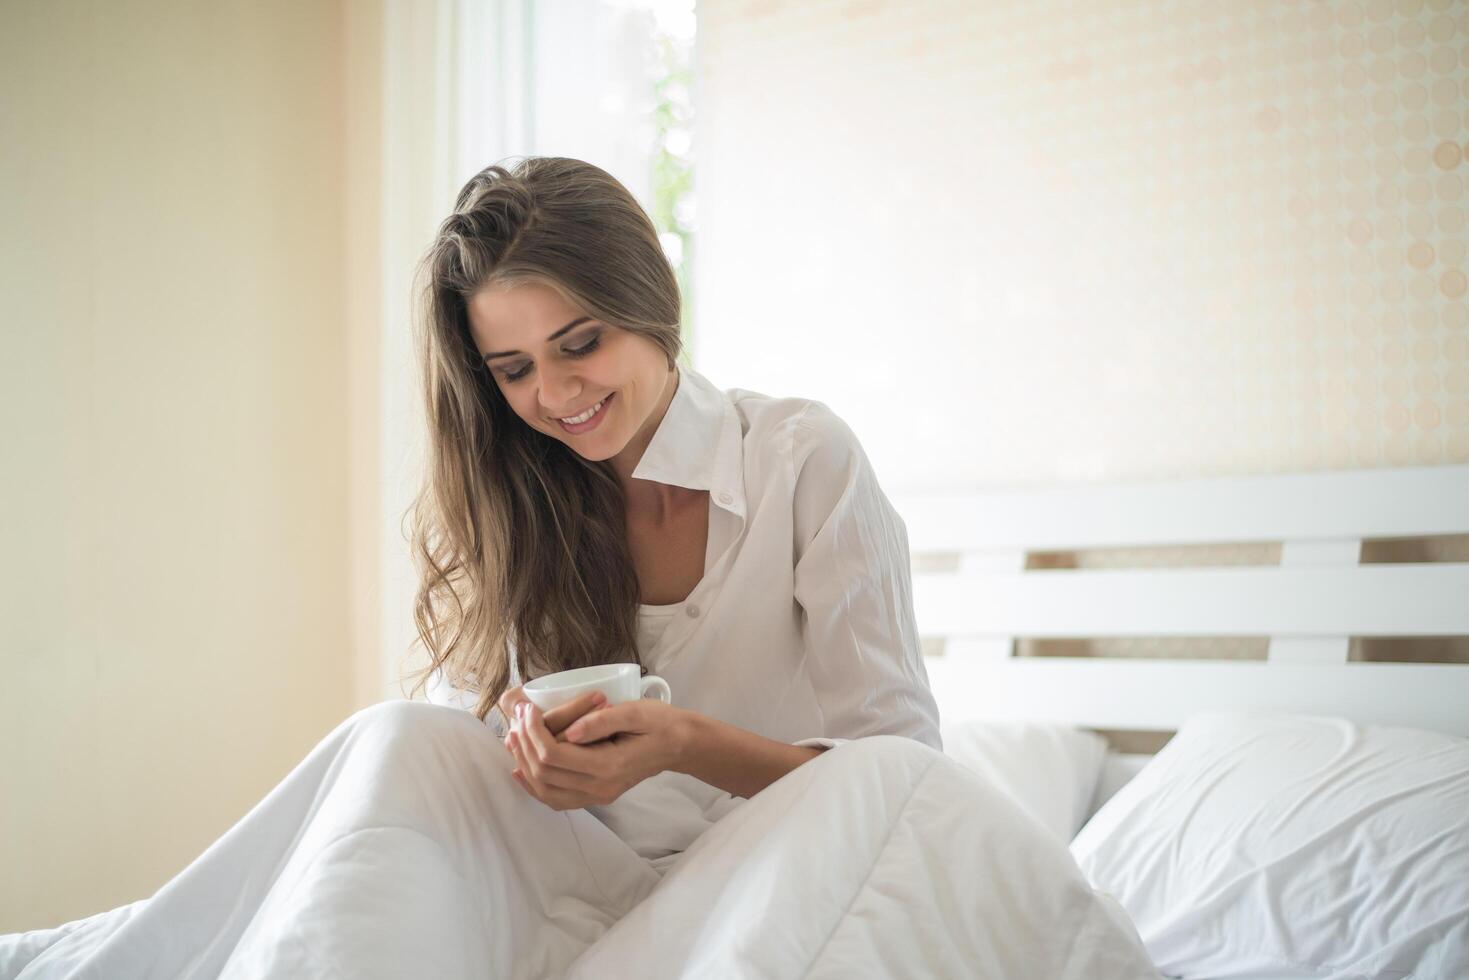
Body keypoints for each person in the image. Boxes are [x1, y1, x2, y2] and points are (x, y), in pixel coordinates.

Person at [0, 156, 946, 979]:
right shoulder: (520, 499)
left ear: (650, 299)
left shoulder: (798, 458)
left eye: (580, 344)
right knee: (407, 740)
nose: (556, 393)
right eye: (513, 368)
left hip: (772, 873)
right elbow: (474, 748)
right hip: (583, 871)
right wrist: (534, 759)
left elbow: (902, 770)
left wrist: (684, 743)